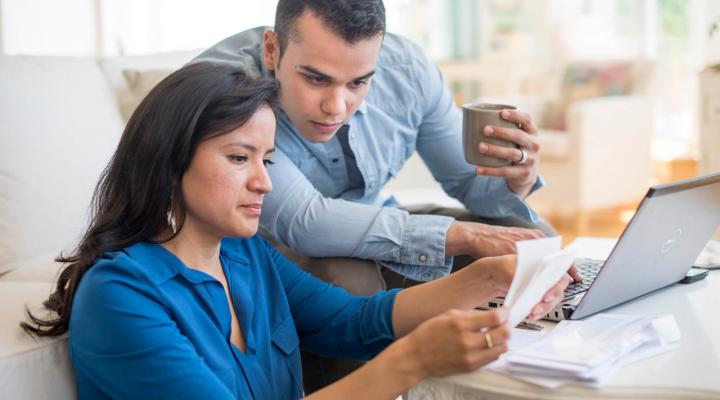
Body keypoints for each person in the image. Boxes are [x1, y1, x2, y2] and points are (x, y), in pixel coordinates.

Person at [21, 62, 571, 399]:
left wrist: (490, 276)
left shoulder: (245, 254)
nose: (264, 182)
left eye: (267, 159)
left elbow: (354, 320)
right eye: (239, 158)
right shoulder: (121, 296)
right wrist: (414, 361)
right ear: (169, 162)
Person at [195, 0, 582, 390]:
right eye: (315, 79)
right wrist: (464, 236)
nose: (336, 107)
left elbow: (472, 188)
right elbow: (305, 222)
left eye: (358, 82)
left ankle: (557, 372)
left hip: (377, 220)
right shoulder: (229, 89)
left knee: (526, 239)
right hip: (274, 246)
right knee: (346, 276)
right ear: (272, 50)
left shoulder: (407, 71)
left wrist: (519, 176)